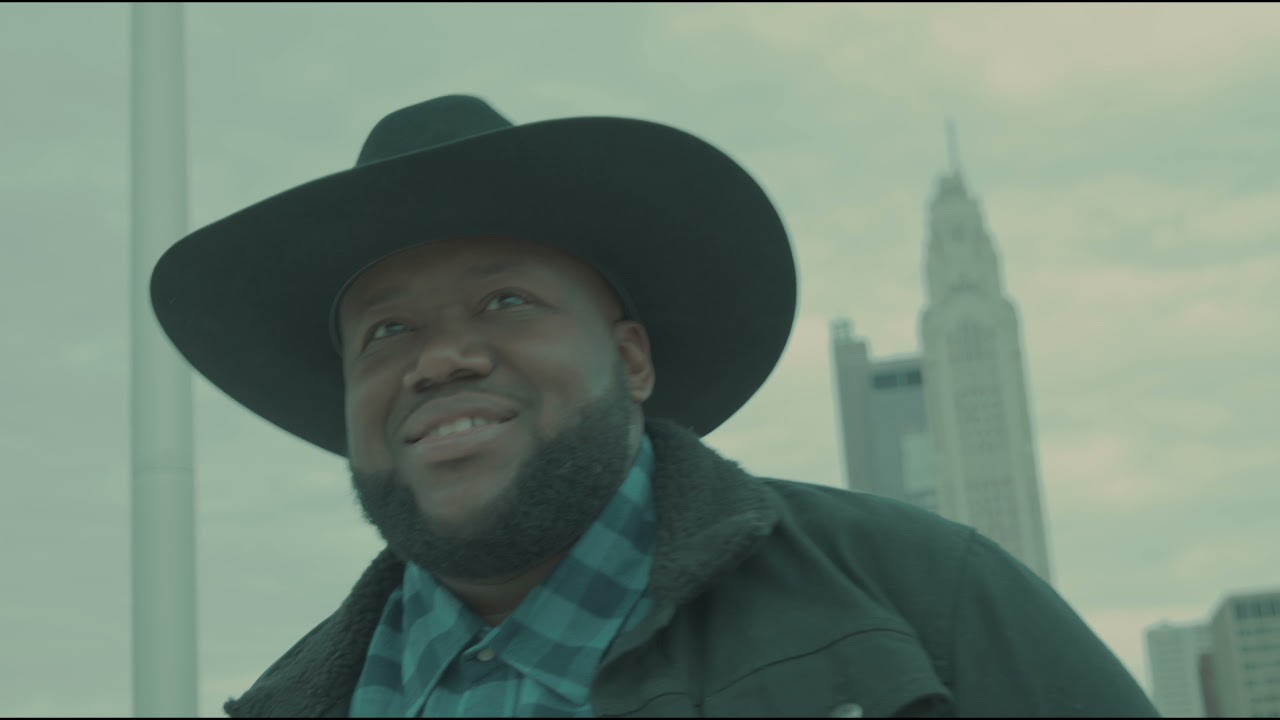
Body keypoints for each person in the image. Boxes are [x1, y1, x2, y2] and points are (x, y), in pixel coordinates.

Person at [151, 95, 1160, 718]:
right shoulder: (284, 703)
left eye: (505, 301)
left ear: (630, 358)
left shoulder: (916, 600)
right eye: (385, 332)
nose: (439, 359)